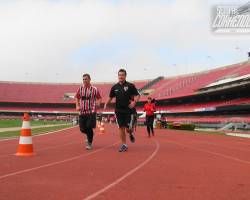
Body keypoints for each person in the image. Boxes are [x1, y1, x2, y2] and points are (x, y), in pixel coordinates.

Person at [104, 69, 140, 152]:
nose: (121, 76)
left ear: (125, 76)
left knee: (128, 129)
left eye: (122, 75)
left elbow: (137, 95)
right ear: (118, 76)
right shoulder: (114, 87)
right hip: (118, 111)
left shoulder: (130, 85)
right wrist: (106, 103)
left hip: (129, 111)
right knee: (121, 128)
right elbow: (110, 97)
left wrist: (134, 102)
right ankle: (124, 144)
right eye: (119, 75)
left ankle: (130, 133)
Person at [75, 74, 102, 150]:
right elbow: (77, 97)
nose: (84, 81)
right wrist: (77, 106)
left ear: (90, 79)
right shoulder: (80, 89)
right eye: (83, 79)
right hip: (82, 112)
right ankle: (89, 136)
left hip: (91, 111)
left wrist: (99, 103)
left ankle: (89, 143)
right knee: (82, 129)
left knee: (89, 127)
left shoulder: (94, 89)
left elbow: (99, 98)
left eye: (86, 79)